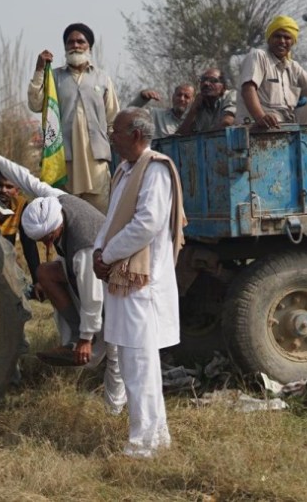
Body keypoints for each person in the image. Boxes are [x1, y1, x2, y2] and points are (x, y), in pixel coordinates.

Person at [93, 108, 186, 458]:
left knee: (140, 365)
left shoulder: (155, 168)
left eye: (115, 131)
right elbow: (113, 218)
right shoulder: (124, 169)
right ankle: (155, 436)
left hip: (142, 283)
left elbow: (147, 224)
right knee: (135, 363)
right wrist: (99, 251)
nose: (111, 137)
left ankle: (143, 443)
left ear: (134, 134)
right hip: (123, 278)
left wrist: (109, 253)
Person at [0, 133, 110, 364]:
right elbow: (26, 179)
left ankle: (88, 343)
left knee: (113, 351)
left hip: (110, 281)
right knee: (45, 272)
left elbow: (93, 296)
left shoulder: (83, 245)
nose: (47, 244)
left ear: (58, 225)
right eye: (42, 240)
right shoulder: (56, 200)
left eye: (49, 238)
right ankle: (75, 336)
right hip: (84, 275)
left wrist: (87, 337)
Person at [28, 23, 119, 213]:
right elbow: (35, 105)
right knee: (68, 215)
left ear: (89, 47)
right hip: (64, 161)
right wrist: (39, 70)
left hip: (96, 163)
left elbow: (113, 120)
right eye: (71, 42)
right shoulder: (54, 77)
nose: (75, 45)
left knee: (100, 216)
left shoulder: (103, 79)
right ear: (65, 47)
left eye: (80, 42)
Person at [239, 16, 307, 129]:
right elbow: (248, 89)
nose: (282, 41)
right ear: (269, 38)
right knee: (274, 120)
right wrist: (261, 117)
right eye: (277, 36)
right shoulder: (259, 56)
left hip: (287, 121)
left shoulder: (293, 66)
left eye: (287, 38)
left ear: (292, 42)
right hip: (260, 123)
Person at [0, 169, 41, 286]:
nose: (3, 190)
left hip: (6, 263)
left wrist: (37, 281)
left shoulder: (21, 205)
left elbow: (29, 246)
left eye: (9, 187)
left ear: (17, 190)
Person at [176, 68, 238, 136]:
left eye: (212, 80)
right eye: (203, 80)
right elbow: (179, 135)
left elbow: (227, 122)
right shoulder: (196, 103)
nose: (206, 83)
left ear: (223, 86)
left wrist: (204, 138)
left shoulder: (231, 95)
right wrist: (192, 111)